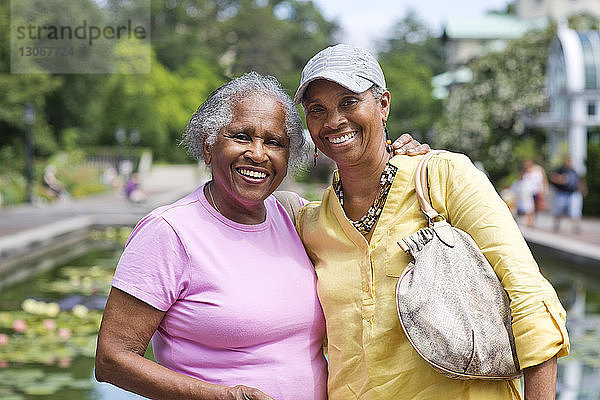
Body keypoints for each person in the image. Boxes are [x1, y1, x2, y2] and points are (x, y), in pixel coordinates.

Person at [95, 72, 428, 400]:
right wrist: (222, 396)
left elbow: (370, 239)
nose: (258, 153)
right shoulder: (169, 232)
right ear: (209, 146)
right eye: (241, 136)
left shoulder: (295, 215)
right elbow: (112, 359)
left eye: (274, 142)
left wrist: (398, 161)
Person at [293, 44, 570, 400]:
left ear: (383, 105)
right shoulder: (312, 223)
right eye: (317, 110)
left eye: (348, 102)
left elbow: (530, 297)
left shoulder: (442, 177)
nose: (333, 121)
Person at [550, 158, 584, 233]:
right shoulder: (560, 170)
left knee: (575, 210)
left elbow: (579, 181)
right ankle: (556, 224)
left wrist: (582, 189)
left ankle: (576, 226)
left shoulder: (574, 171)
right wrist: (559, 179)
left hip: (573, 193)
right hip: (562, 193)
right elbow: (552, 177)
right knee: (559, 210)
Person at [521, 159, 548, 227]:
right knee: (529, 207)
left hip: (536, 191)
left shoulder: (538, 170)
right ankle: (529, 221)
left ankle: (532, 221)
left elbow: (543, 180)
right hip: (528, 192)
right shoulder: (525, 172)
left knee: (535, 207)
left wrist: (544, 190)